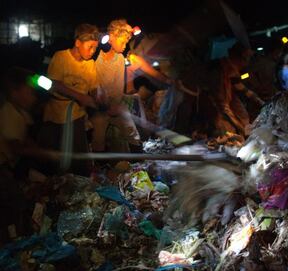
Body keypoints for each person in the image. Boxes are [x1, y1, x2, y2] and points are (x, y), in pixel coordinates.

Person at [92, 19, 173, 153]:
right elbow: (93, 84)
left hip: (116, 104)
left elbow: (118, 87)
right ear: (111, 38)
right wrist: (101, 103)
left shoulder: (119, 59)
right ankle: (98, 166)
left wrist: (115, 103)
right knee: (98, 137)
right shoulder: (97, 58)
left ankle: (139, 160)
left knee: (132, 133)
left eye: (126, 42)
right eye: (122, 41)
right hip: (98, 106)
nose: (124, 45)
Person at [37, 23, 99, 176]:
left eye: (95, 48)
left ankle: (79, 185)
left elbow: (94, 87)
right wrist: (80, 96)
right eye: (89, 46)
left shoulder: (90, 64)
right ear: (78, 42)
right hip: (55, 114)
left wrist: (100, 97)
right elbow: (54, 84)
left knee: (79, 158)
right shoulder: (61, 57)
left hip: (76, 115)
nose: (92, 51)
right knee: (52, 159)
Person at [0, 67, 38, 244]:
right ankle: (12, 242)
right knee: (13, 203)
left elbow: (27, 140)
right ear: (15, 93)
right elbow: (17, 147)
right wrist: (48, 154)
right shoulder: (9, 113)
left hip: (10, 165)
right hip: (2, 167)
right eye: (29, 91)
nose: (33, 96)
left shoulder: (21, 112)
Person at [203, 42, 264, 137]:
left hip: (225, 111)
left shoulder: (230, 71)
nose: (246, 63)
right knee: (227, 133)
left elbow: (242, 89)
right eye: (246, 59)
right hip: (216, 117)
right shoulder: (218, 74)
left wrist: (261, 103)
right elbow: (223, 108)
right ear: (237, 58)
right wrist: (243, 129)